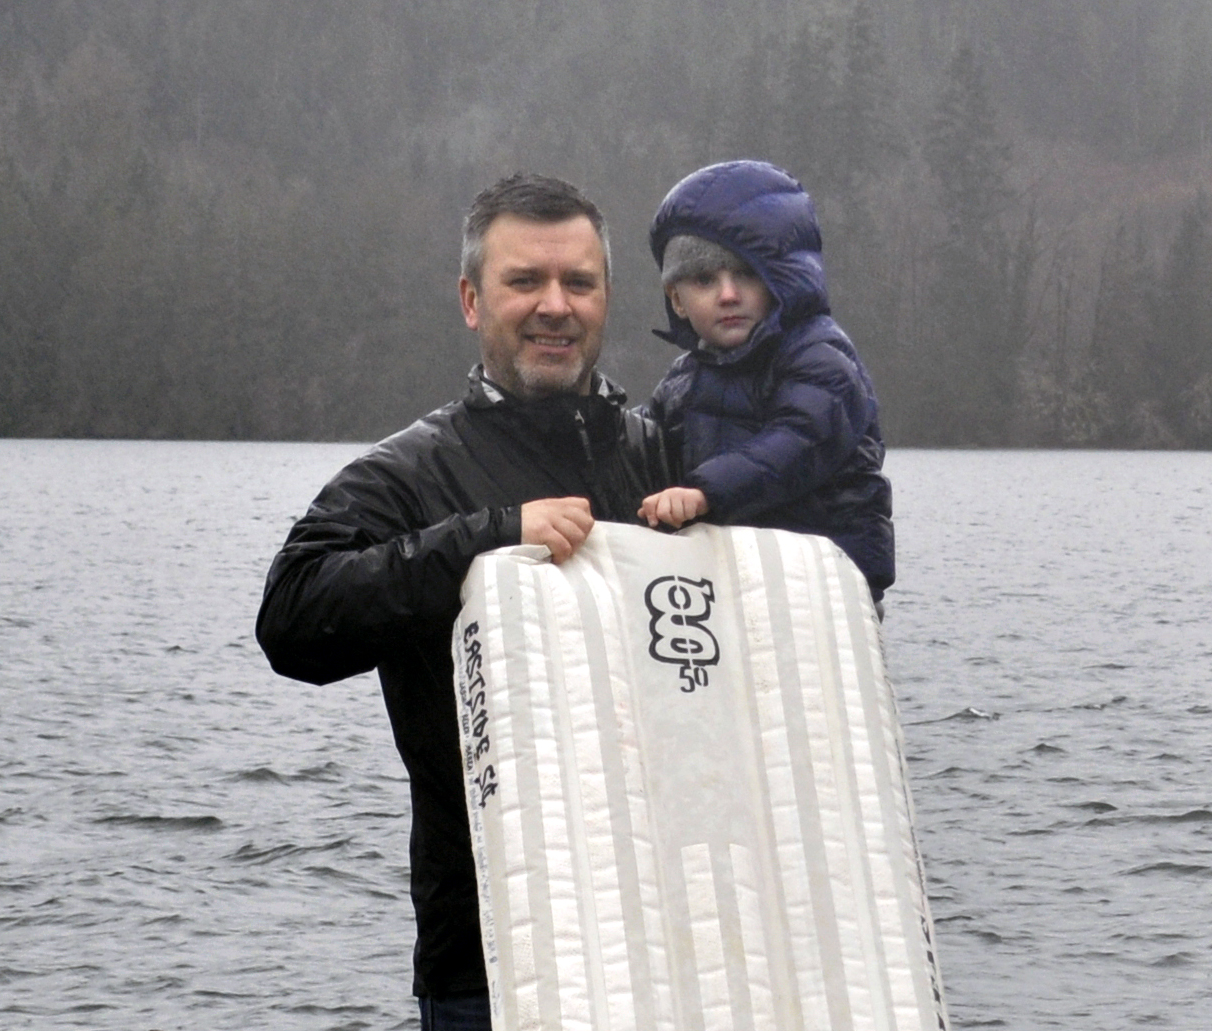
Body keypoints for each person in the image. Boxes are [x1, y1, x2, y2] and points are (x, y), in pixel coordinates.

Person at [256, 174, 668, 1030]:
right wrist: (487, 540)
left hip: (672, 940)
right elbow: (291, 615)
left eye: (579, 284)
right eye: (526, 282)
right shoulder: (409, 473)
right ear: (472, 300)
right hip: (488, 961)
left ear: (606, 300)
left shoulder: (663, 456)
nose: (555, 305)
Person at [636, 159, 895, 600]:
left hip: (827, 587)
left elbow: (798, 441)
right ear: (676, 300)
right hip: (731, 588)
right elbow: (639, 448)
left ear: (782, 279)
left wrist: (704, 492)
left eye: (747, 273)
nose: (728, 294)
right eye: (704, 279)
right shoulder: (682, 381)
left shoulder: (819, 356)